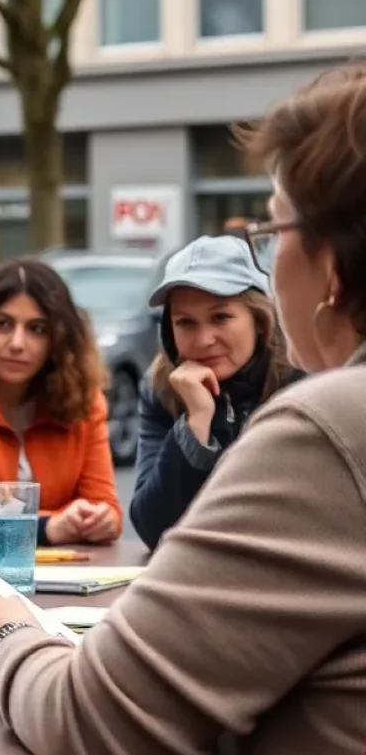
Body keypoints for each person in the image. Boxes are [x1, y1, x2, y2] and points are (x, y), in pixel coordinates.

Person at [0, 63, 366, 755]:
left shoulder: (327, 426)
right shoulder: (187, 398)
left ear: (334, 271)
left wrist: (6, 636)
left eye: (276, 232)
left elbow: (92, 726)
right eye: (186, 321)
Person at [0, 259, 122, 546]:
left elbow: (104, 505)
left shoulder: (84, 400)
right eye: (3, 324)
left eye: (37, 329)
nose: (17, 343)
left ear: (58, 339)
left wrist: (99, 519)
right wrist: (46, 526)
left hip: (64, 575)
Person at [129, 235, 294, 550]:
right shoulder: (163, 388)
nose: (204, 339)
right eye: (185, 323)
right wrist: (196, 423)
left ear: (260, 320)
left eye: (221, 317)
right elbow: (153, 528)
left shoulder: (301, 381)